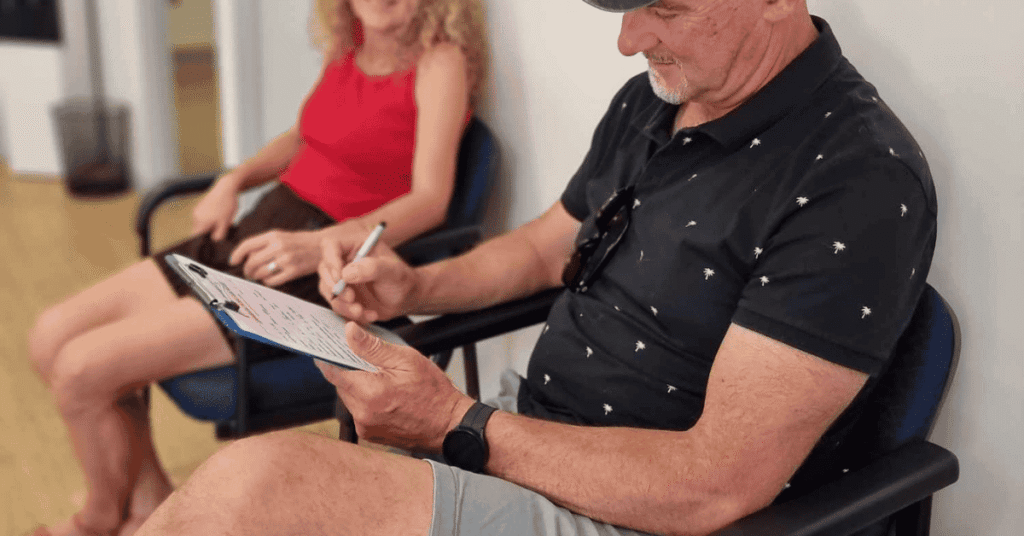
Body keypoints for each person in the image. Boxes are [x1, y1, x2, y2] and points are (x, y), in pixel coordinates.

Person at [132, 1, 938, 535]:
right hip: (532, 439)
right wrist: (416, 285)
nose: (629, 38)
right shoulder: (652, 101)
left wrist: (456, 424)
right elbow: (542, 250)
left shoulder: (856, 181)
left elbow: (716, 483)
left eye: (666, 7)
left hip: (642, 513)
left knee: (254, 490)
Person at [27, 0, 487, 534]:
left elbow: (431, 199)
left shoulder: (440, 62)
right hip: (264, 228)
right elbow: (301, 139)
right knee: (49, 338)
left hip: (316, 264)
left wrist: (321, 245)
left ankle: (97, 522)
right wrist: (234, 181)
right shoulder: (350, 41)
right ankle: (148, 499)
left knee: (82, 371)